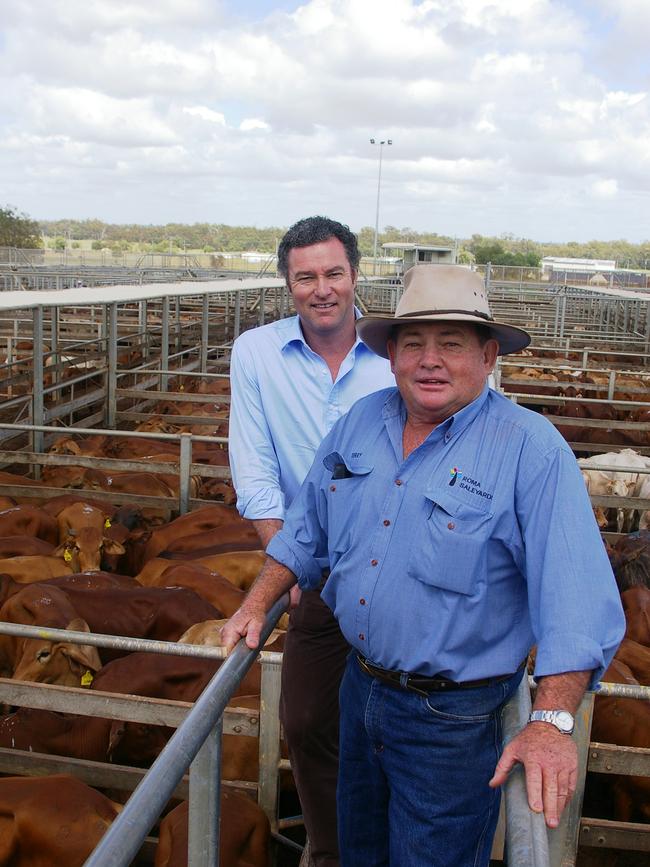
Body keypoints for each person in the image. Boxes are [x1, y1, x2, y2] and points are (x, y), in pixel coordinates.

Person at [223, 264, 625, 867]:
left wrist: (550, 721)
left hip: (452, 722)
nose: (430, 360)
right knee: (359, 847)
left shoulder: (530, 449)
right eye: (413, 343)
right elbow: (306, 529)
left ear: (488, 357)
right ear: (390, 356)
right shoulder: (359, 423)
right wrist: (257, 602)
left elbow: (577, 602)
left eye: (452, 344)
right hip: (359, 690)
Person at [228, 216, 394, 866]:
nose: (321, 288)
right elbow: (255, 468)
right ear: (288, 283)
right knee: (303, 719)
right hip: (317, 572)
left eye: (332, 273)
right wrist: (287, 562)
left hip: (397, 565)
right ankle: (330, 847)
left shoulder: (396, 354)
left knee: (394, 716)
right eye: (306, 276)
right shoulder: (257, 352)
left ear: (354, 276)